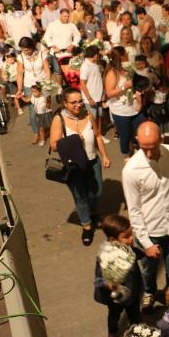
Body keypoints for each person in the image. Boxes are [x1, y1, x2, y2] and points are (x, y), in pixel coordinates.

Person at [122, 121, 169, 311]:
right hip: (150, 232)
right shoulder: (131, 170)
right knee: (148, 272)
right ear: (137, 143)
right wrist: (146, 243)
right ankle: (149, 291)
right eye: (144, 148)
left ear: (162, 139)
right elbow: (134, 210)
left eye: (153, 148)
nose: (149, 154)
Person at [49, 88, 111, 245]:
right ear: (65, 103)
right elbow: (54, 145)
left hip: (92, 160)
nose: (78, 105)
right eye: (73, 102)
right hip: (74, 165)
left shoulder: (88, 114)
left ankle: (92, 211)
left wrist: (104, 156)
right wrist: (74, 140)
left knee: (97, 192)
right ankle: (87, 226)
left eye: (80, 101)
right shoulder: (59, 119)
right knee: (80, 196)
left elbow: (97, 136)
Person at [93, 214, 142, 337]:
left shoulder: (126, 247)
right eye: (126, 237)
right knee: (114, 315)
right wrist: (110, 284)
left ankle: (138, 334)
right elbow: (99, 279)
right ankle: (113, 333)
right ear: (113, 240)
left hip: (132, 291)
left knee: (135, 314)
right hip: (116, 298)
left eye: (131, 234)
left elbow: (134, 252)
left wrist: (146, 252)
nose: (131, 239)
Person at [105, 46, 145, 158]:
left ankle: (137, 150)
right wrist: (124, 87)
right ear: (121, 56)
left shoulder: (128, 68)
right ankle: (126, 155)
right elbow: (109, 93)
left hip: (135, 107)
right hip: (121, 111)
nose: (128, 54)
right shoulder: (112, 73)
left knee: (138, 132)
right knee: (125, 135)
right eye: (125, 53)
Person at [16, 37, 51, 144]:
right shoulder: (20, 57)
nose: (25, 52)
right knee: (32, 111)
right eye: (23, 50)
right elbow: (19, 74)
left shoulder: (41, 54)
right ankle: (36, 133)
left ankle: (47, 129)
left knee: (45, 108)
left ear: (32, 47)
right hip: (29, 86)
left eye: (27, 49)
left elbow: (47, 69)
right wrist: (19, 89)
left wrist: (47, 84)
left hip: (42, 84)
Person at [42, 8, 81, 86]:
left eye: (67, 16)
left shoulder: (71, 25)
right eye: (64, 16)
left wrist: (73, 44)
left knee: (69, 71)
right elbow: (46, 37)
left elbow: (78, 36)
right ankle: (60, 88)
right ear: (60, 15)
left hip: (68, 52)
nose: (66, 18)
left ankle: (70, 86)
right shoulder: (52, 25)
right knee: (57, 71)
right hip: (56, 52)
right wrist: (53, 46)